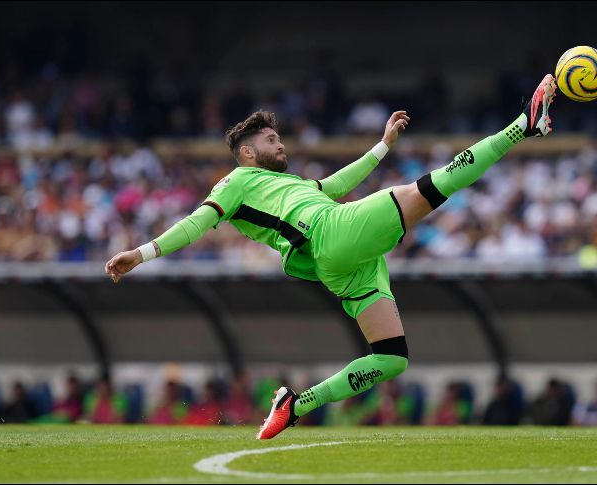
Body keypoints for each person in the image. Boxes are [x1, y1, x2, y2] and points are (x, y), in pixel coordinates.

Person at [105, 74, 557, 439]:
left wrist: (382, 145)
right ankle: (523, 124)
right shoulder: (236, 181)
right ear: (247, 153)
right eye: (270, 140)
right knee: (435, 186)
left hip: (340, 261)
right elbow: (197, 223)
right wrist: (142, 254)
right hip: (331, 235)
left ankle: (295, 405)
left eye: (278, 137)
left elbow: (336, 186)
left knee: (391, 358)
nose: (279, 144)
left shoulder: (289, 187)